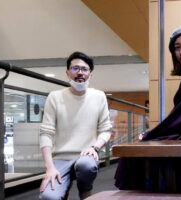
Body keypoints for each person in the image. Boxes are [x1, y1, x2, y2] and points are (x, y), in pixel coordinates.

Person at [115, 24, 181, 191]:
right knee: (140, 151)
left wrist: (153, 133)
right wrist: (155, 132)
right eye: (177, 48)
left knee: (138, 153)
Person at [39, 51, 112, 200]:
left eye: (84, 69)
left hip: (86, 156)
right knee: (48, 198)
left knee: (87, 166)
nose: (80, 73)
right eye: (75, 68)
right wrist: (49, 167)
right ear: (67, 72)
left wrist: (95, 147)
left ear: (90, 74)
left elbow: (106, 130)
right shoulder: (54, 97)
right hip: (60, 158)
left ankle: (85, 191)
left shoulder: (99, 96)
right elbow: (46, 133)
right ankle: (62, 189)